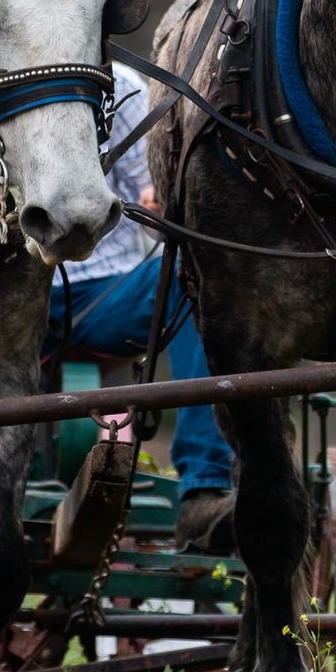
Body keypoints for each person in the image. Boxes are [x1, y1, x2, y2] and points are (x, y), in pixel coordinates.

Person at [46, 61, 234, 550]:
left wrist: (160, 209)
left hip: (106, 291)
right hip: (10, 294)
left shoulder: (125, 94)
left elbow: (151, 204)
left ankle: (206, 485)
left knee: (195, 266)